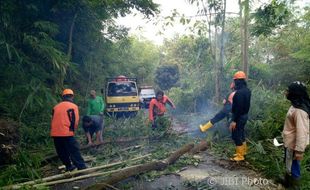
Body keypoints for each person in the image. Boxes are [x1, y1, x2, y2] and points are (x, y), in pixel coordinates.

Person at [281, 81, 310, 188]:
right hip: (290, 142)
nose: (286, 92)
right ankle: (287, 183)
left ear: (295, 93)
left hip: (294, 145)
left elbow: (302, 132)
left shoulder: (299, 110)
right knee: (290, 164)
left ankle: (294, 186)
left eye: (288, 91)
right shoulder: (296, 105)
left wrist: (299, 151)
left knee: (294, 167)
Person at [50, 89, 86, 171]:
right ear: (72, 96)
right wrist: (73, 131)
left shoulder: (55, 107)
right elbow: (75, 120)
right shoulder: (73, 106)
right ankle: (81, 166)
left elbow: (53, 119)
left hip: (55, 133)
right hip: (67, 132)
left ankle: (68, 166)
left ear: (63, 97)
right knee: (74, 150)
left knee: (61, 151)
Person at [229, 71, 251, 161]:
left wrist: (234, 121)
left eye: (235, 81)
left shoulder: (239, 93)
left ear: (237, 81)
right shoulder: (247, 90)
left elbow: (238, 108)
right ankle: (243, 152)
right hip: (244, 115)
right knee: (241, 133)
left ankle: (240, 156)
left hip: (239, 117)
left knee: (236, 135)